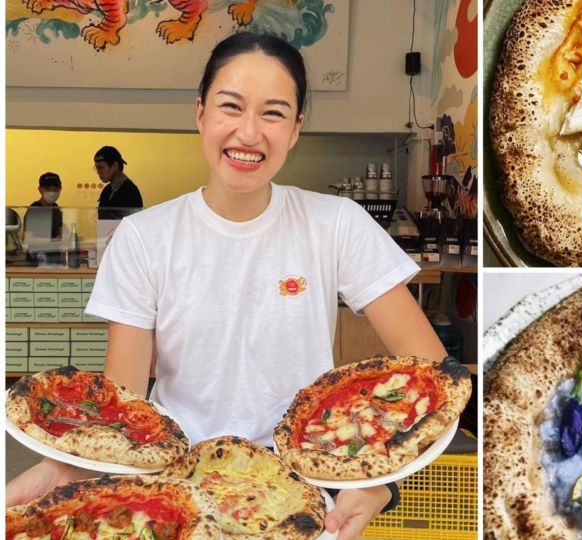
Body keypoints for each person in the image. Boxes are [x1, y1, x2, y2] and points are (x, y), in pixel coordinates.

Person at [6, 33, 449, 540]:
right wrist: (71, 467)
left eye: (274, 113)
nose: (249, 132)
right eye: (231, 106)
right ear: (200, 113)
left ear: (297, 128)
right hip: (173, 494)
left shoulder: (338, 224)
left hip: (306, 494)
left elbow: (431, 373)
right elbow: (124, 401)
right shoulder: (143, 237)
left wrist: (382, 482)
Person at [23, 172, 64, 264]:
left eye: (55, 189)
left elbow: (61, 234)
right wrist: (54, 240)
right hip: (36, 261)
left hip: (54, 260)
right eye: (48, 189)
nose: (52, 192)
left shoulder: (56, 208)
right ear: (40, 189)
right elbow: (28, 239)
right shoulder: (34, 210)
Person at [94, 145, 143, 219]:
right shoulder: (107, 190)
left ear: (114, 166)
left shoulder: (130, 191)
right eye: (96, 168)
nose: (98, 172)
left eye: (101, 167)